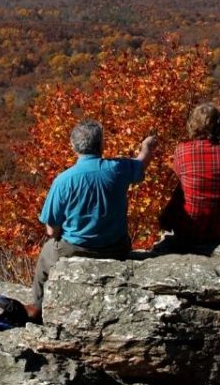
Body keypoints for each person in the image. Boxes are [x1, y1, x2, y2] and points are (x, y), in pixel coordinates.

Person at [28, 120, 156, 321]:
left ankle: (37, 307)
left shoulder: (64, 180)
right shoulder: (118, 169)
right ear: (101, 145)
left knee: (46, 254)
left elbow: (51, 230)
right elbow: (141, 163)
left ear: (73, 146)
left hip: (75, 248)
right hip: (117, 248)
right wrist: (147, 146)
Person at [154, 103, 220, 253]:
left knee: (183, 187)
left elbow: (179, 173)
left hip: (188, 227)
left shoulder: (181, 150)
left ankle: (166, 222)